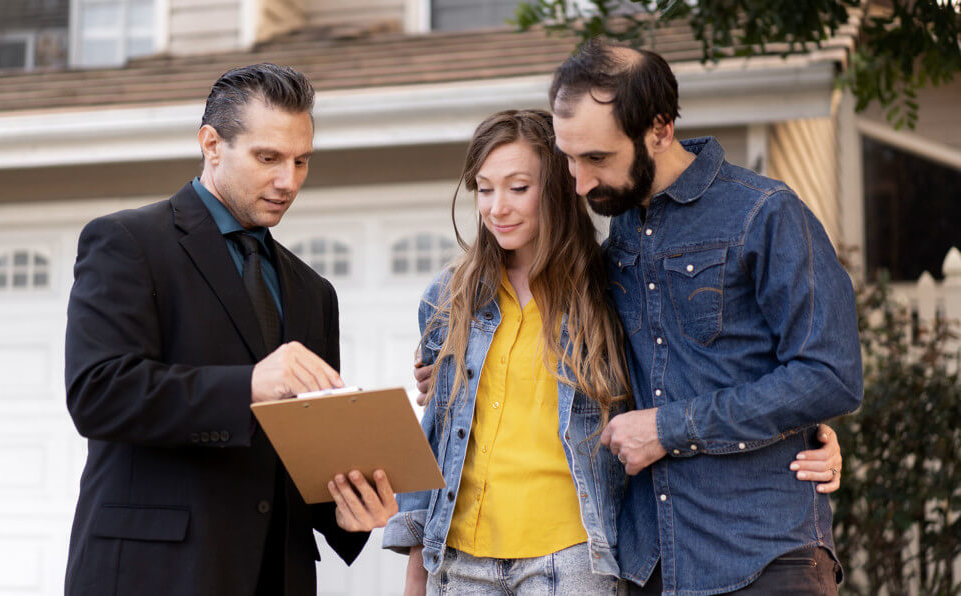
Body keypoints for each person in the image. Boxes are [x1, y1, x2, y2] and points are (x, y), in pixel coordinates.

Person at [396, 110, 845, 595]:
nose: (497, 207)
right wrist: (417, 571)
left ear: (557, 188)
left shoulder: (609, 287)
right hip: (462, 562)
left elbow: (676, 373)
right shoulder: (448, 300)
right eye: (484, 189)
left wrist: (809, 431)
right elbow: (439, 436)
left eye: (518, 188)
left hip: (571, 558)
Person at [63, 63, 397, 596]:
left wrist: (348, 511)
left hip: (276, 575)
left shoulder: (314, 292)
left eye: (301, 161)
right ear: (211, 144)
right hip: (155, 575)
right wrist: (249, 385)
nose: (288, 181)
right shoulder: (127, 242)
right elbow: (98, 393)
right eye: (268, 158)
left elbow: (303, 451)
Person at [549, 39, 863, 595]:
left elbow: (829, 375)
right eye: (569, 158)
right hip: (651, 566)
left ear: (660, 129)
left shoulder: (765, 213)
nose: (580, 182)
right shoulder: (618, 235)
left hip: (763, 556)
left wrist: (668, 429)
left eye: (597, 158)